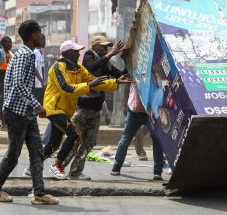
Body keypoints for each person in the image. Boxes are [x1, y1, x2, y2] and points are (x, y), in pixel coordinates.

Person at [29, 40, 130, 181]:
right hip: (54, 108)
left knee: (54, 143)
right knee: (74, 134)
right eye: (75, 51)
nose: (78, 53)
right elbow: (67, 88)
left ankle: (32, 166)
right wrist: (89, 85)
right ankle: (57, 165)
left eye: (78, 51)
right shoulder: (58, 67)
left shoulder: (78, 69)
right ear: (66, 53)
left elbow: (95, 81)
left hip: (66, 109)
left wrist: (116, 82)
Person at [0, 19, 58, 205]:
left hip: (25, 112)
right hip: (17, 112)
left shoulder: (29, 54)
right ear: (34, 35)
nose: (42, 36)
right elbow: (18, 84)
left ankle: (39, 194)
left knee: (37, 152)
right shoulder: (24, 55)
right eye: (40, 32)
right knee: (13, 155)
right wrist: (37, 105)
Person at [65, 35, 127, 180]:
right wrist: (111, 54)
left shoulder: (106, 62)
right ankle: (59, 167)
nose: (106, 49)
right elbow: (91, 68)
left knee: (88, 142)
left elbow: (119, 75)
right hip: (83, 107)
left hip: (96, 108)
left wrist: (127, 60)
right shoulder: (89, 55)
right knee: (75, 141)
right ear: (94, 46)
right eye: (103, 46)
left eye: (107, 47)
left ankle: (75, 172)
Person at [111, 83, 164, 180]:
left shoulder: (156, 71)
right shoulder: (135, 70)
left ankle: (158, 170)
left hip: (152, 110)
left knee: (157, 137)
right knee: (126, 137)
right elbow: (127, 88)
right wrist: (125, 105)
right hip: (135, 110)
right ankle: (117, 165)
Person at [0, 36, 13, 128]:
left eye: (11, 42)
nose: (10, 44)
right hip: (0, 79)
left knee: (7, 102)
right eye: (9, 42)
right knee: (1, 102)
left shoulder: (10, 54)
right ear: (4, 43)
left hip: (8, 80)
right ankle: (2, 121)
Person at [33, 34, 46, 105]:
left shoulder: (40, 52)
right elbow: (34, 68)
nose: (45, 42)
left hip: (40, 84)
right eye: (44, 40)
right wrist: (42, 81)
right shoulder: (35, 52)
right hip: (36, 84)